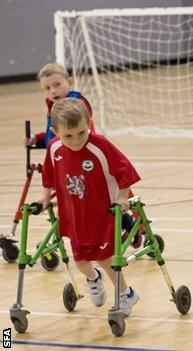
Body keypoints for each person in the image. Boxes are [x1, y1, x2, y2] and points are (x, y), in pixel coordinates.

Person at [40, 98, 140, 316]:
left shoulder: (100, 145)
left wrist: (123, 198)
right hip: (74, 217)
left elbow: (124, 171)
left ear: (89, 123)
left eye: (81, 133)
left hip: (102, 215)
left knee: (105, 259)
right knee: (81, 261)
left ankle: (126, 294)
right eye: (68, 135)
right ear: (55, 131)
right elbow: (48, 175)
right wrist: (45, 198)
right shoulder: (54, 148)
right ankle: (94, 278)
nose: (76, 140)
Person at [24, 62, 95, 148]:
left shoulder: (78, 104)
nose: (53, 91)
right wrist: (36, 139)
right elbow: (57, 133)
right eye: (47, 88)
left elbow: (75, 135)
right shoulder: (52, 105)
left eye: (57, 85)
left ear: (69, 82)